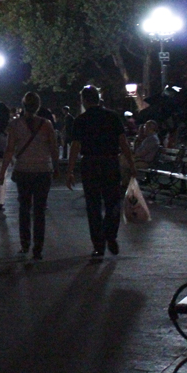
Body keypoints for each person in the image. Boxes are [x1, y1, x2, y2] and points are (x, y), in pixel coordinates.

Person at [65, 86, 135, 260]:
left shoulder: (81, 120)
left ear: (84, 100)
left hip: (90, 163)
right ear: (98, 98)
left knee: (93, 205)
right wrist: (131, 163)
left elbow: (75, 146)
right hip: (110, 162)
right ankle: (110, 234)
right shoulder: (112, 117)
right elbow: (123, 142)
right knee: (113, 202)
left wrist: (70, 170)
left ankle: (98, 245)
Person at [0, 93, 60, 260]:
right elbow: (53, 148)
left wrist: (2, 172)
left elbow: (9, 150)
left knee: (24, 208)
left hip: (23, 171)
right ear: (38, 106)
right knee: (40, 211)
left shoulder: (15, 125)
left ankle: (25, 243)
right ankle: (38, 248)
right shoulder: (46, 124)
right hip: (43, 171)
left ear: (23, 105)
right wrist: (56, 167)